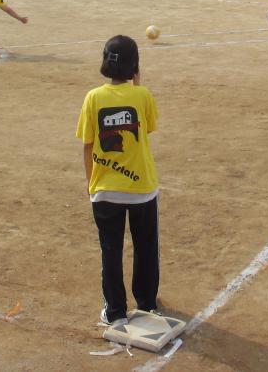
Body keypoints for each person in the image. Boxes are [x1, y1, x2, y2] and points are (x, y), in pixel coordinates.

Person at [76, 34, 160, 326]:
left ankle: (115, 311)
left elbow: (87, 144)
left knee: (110, 250)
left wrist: (91, 184)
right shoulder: (143, 95)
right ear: (134, 66)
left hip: (105, 189)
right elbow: (147, 128)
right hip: (141, 189)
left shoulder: (93, 97)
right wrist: (138, 85)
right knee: (146, 246)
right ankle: (147, 303)